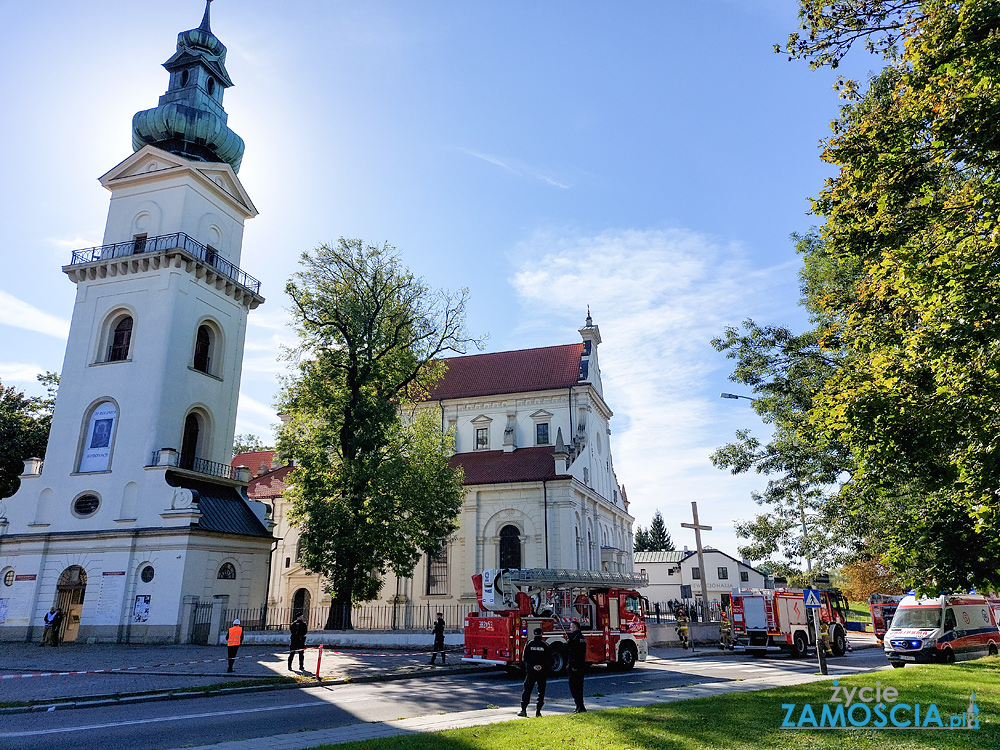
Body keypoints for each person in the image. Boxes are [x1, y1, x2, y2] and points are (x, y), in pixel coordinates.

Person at [518, 628, 550, 717]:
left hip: (531, 672)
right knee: (541, 691)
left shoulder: (529, 644)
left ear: (534, 634)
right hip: (542, 672)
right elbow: (549, 659)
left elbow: (525, 658)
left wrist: (532, 666)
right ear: (541, 634)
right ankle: (538, 711)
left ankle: (523, 710)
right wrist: (541, 666)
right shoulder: (545, 645)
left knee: (527, 690)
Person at [567, 621, 588, 713]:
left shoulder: (574, 637)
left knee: (574, 687)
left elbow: (568, 648)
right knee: (580, 686)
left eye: (571, 627)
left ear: (575, 628)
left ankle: (579, 705)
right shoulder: (582, 637)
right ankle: (580, 706)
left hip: (574, 665)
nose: (570, 629)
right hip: (581, 665)